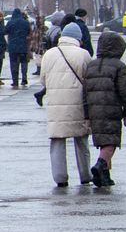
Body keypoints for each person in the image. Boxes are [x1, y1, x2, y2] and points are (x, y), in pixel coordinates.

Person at [36, 29, 92, 186]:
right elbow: (89, 79)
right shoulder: (83, 54)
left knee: (57, 140)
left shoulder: (49, 54)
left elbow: (43, 80)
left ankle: (60, 178)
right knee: (81, 140)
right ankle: (85, 174)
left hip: (56, 105)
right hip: (78, 104)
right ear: (77, 38)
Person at [82, 33, 126, 187]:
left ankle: (104, 176)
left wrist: (86, 114)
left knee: (102, 141)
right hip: (112, 108)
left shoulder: (91, 65)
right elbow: (125, 91)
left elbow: (84, 92)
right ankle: (100, 165)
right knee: (110, 142)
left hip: (93, 110)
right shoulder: (119, 66)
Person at [5, 7, 33, 87]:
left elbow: (5, 31)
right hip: (23, 46)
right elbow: (29, 32)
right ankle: (24, 78)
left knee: (14, 64)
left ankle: (15, 81)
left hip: (13, 47)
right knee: (24, 63)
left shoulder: (10, 22)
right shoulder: (25, 22)